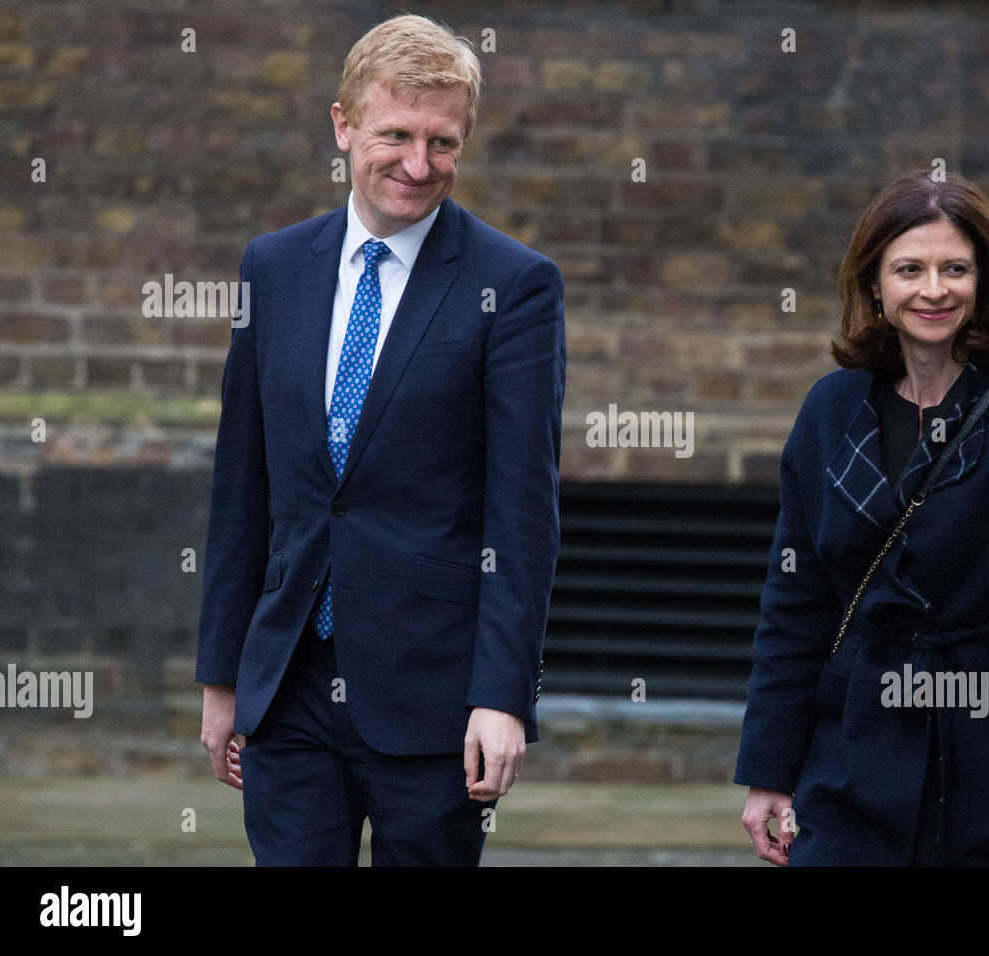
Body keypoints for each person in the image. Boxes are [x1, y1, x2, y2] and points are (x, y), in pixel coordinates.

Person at [196, 14, 566, 866]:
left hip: (432, 703)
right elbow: (241, 486)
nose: (417, 164)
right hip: (287, 686)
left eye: (443, 142)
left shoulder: (512, 286)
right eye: (395, 134)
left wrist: (502, 699)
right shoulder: (273, 266)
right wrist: (223, 680)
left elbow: (523, 514)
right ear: (343, 125)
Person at [736, 169, 989, 866]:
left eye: (956, 269)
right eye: (909, 269)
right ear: (875, 287)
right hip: (856, 755)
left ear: (985, 284)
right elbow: (796, 603)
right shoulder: (827, 412)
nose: (934, 289)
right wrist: (768, 771)